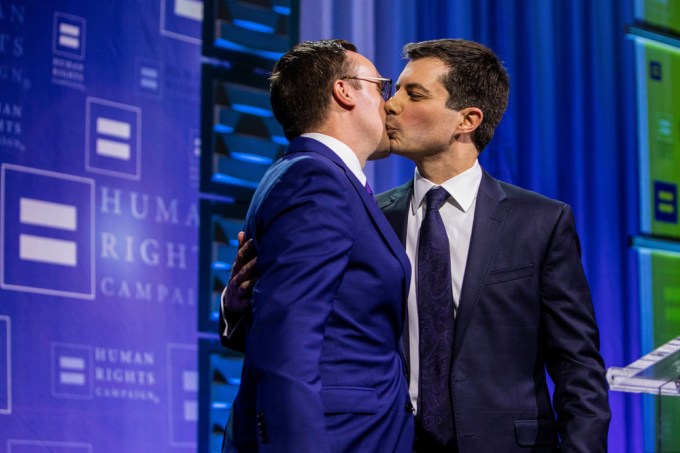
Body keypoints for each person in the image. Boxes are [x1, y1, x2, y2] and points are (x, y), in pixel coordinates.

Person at [224, 38, 611, 452]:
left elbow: (578, 366)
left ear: (467, 120)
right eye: (392, 90)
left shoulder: (540, 222)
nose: (391, 104)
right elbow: (319, 332)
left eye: (414, 94)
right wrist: (239, 310)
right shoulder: (369, 214)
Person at [220, 39, 414, 452]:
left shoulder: (306, 174)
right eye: (381, 87)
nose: (390, 104)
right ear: (345, 91)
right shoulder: (316, 180)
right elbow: (287, 340)